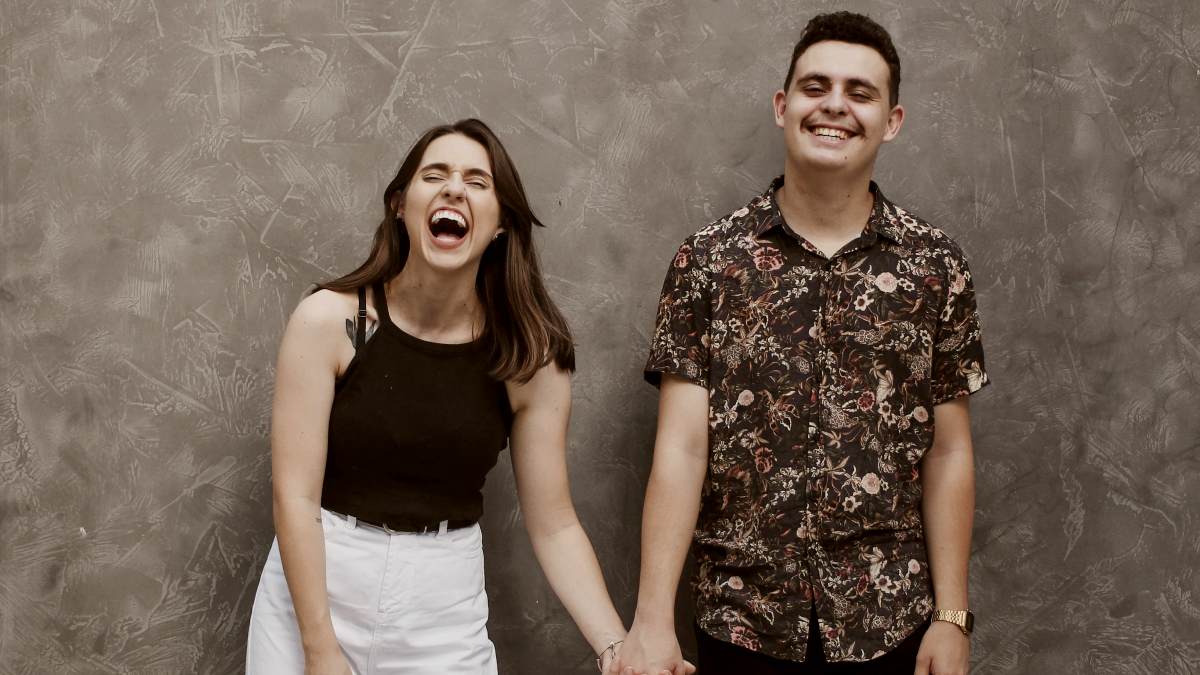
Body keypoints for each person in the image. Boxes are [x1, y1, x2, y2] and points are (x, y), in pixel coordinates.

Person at [614, 12, 989, 675]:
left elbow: (950, 449)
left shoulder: (935, 266)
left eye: (860, 91)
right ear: (784, 107)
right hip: (742, 620)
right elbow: (680, 445)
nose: (835, 105)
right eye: (816, 86)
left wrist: (952, 616)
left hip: (889, 619)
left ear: (892, 120)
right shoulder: (709, 261)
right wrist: (650, 619)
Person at [246, 118, 636, 674]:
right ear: (401, 205)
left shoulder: (526, 359)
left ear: (501, 224)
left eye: (478, 182)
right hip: (315, 588)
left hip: (442, 603)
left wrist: (615, 648)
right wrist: (319, 648)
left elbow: (554, 523)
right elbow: (295, 498)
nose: (454, 188)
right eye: (436, 175)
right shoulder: (333, 322)